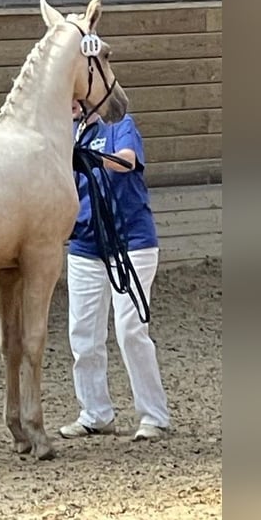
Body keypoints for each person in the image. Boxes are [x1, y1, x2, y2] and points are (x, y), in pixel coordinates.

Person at [59, 100, 170, 442]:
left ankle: (154, 415)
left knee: (130, 329)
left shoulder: (120, 126)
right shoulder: (67, 138)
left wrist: (91, 159)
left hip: (130, 241)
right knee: (83, 333)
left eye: (77, 99)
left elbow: (127, 161)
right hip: (86, 243)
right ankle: (95, 413)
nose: (71, 105)